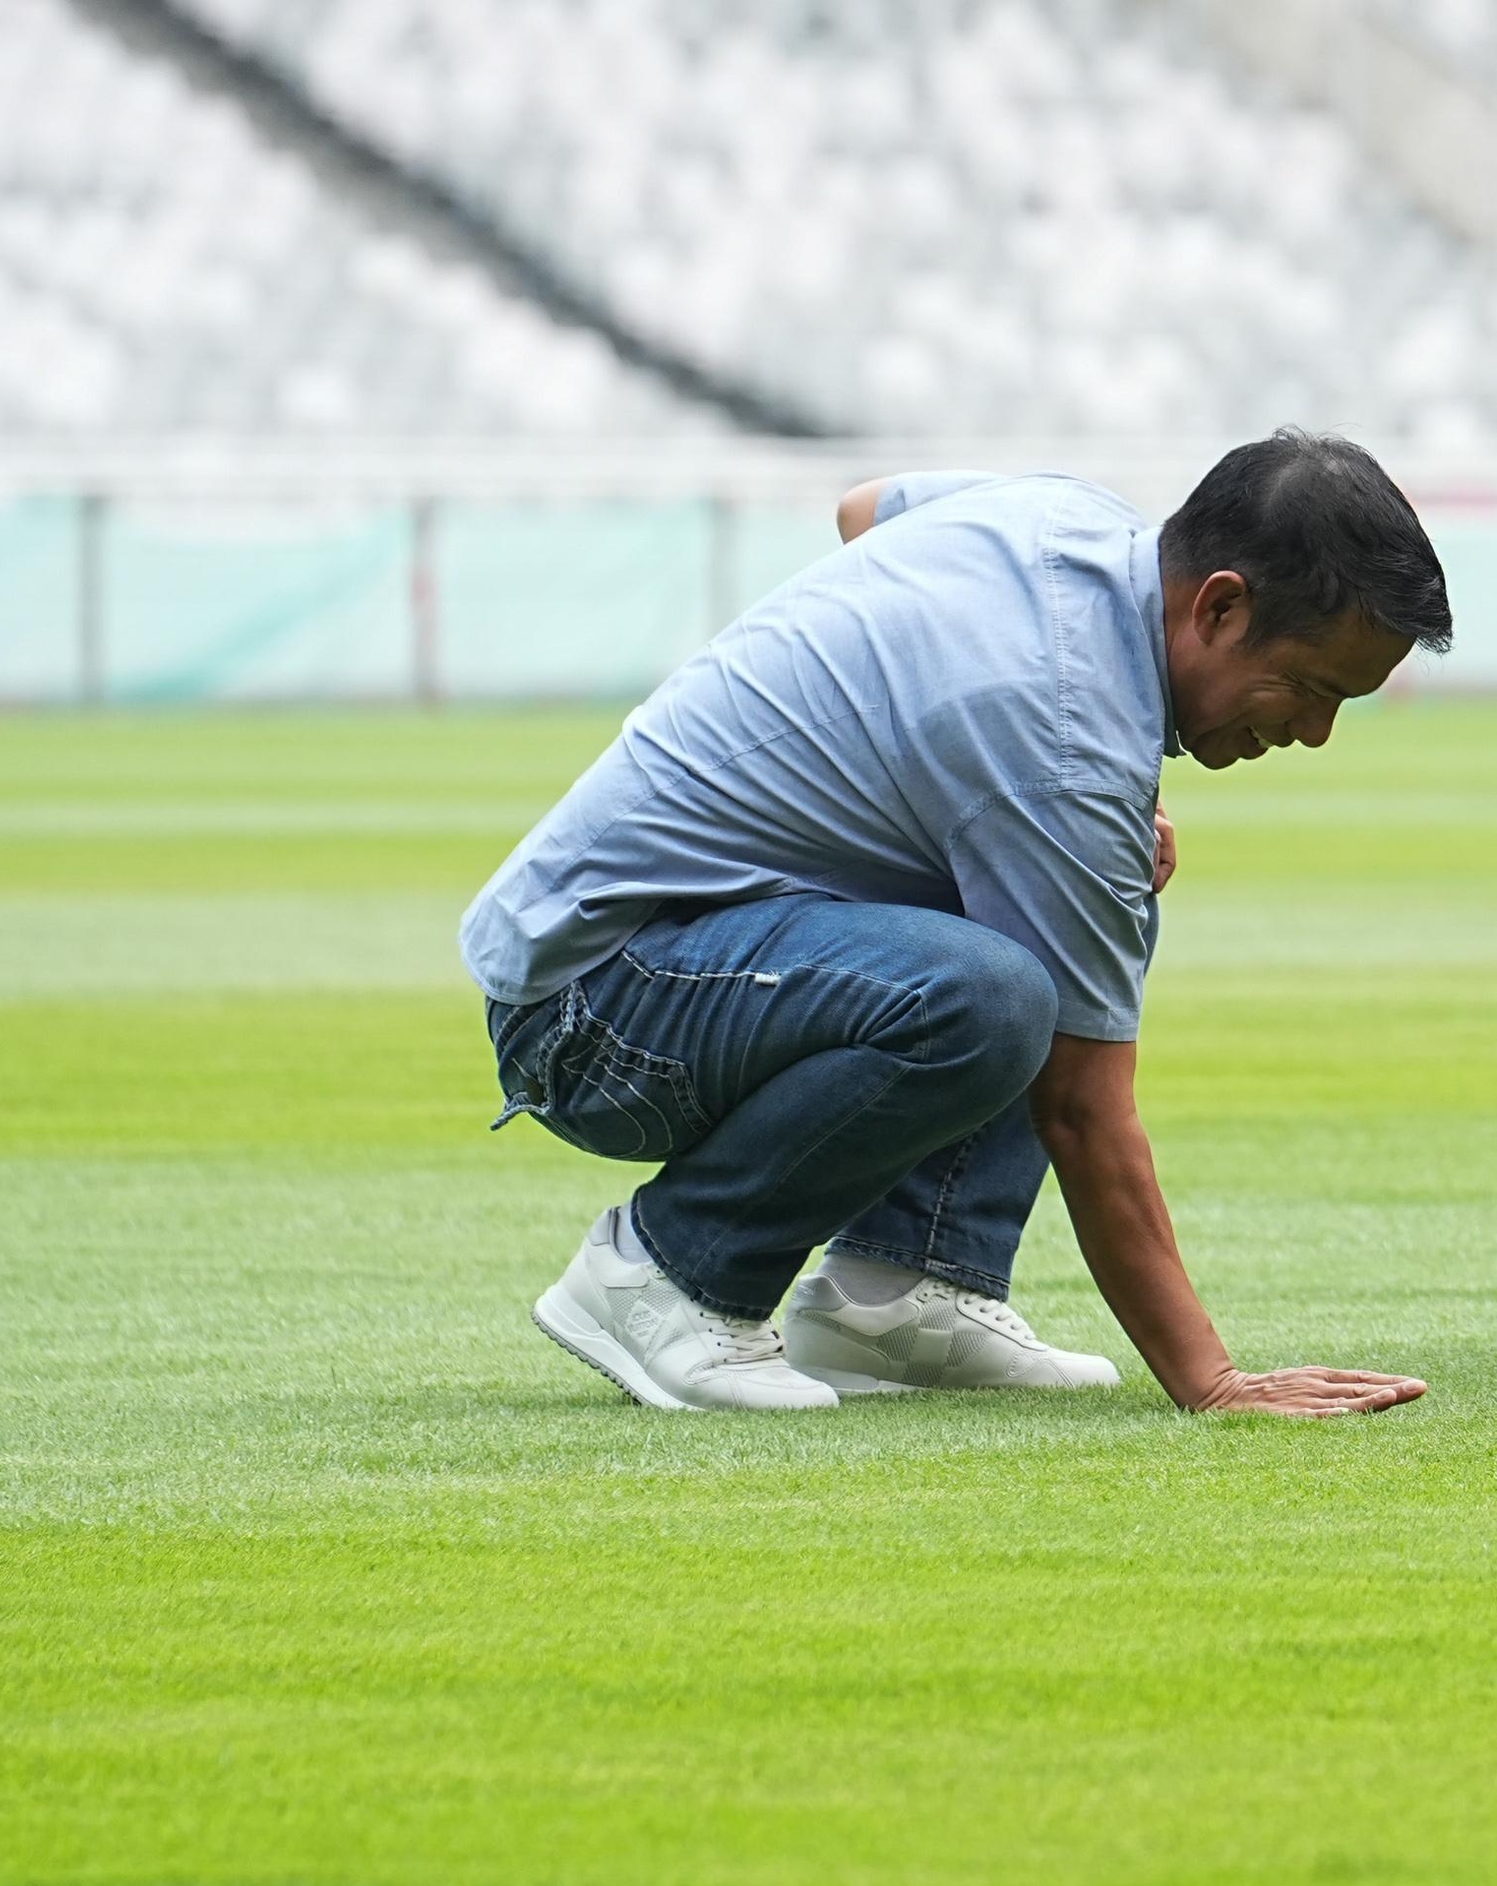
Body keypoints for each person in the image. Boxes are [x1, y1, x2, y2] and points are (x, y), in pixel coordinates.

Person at [459, 435, 1445, 1418]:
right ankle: (668, 1274)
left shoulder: (1073, 525)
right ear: (1219, 605)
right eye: (1314, 688)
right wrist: (1214, 1383)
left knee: (1090, 883)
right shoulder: (1063, 737)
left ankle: (904, 1293)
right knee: (1002, 991)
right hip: (595, 1012)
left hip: (660, 955)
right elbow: (1083, 1110)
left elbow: (866, 509)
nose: (1315, 733)